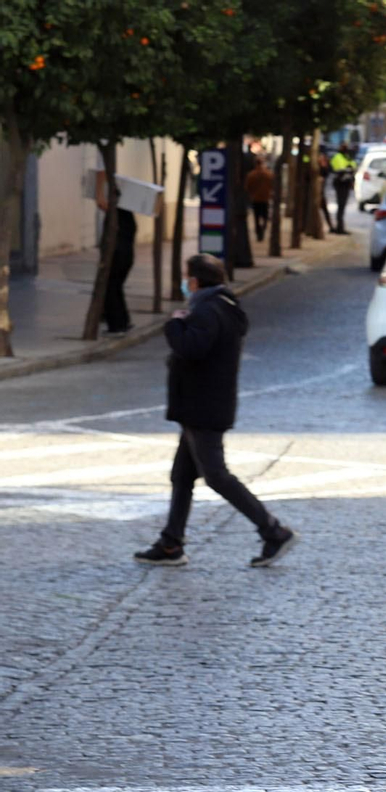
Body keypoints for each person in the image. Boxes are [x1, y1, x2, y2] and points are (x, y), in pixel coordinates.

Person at [134, 254, 297, 569]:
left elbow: (191, 348)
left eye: (187, 278)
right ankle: (171, 543)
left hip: (202, 407)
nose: (185, 284)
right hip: (202, 405)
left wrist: (174, 323)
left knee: (217, 476)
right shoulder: (223, 306)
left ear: (195, 281)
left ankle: (273, 531)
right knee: (182, 476)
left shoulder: (208, 310)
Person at [94, 171, 138, 335]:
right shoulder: (127, 214)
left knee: (110, 288)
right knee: (115, 288)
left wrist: (100, 183)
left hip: (118, 256)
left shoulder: (117, 213)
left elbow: (101, 202)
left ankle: (117, 325)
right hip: (126, 257)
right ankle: (122, 321)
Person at [245, 155, 274, 242]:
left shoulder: (251, 175)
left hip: (255, 199)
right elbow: (272, 185)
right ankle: (263, 229)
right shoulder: (269, 174)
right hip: (265, 198)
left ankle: (258, 232)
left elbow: (248, 187)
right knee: (265, 216)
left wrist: (251, 194)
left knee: (256, 217)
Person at [329, 144, 356, 234]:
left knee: (342, 206)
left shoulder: (347, 157)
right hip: (340, 184)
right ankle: (339, 228)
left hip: (346, 185)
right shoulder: (338, 157)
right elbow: (338, 169)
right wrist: (348, 170)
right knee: (341, 206)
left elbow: (353, 168)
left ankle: (340, 227)